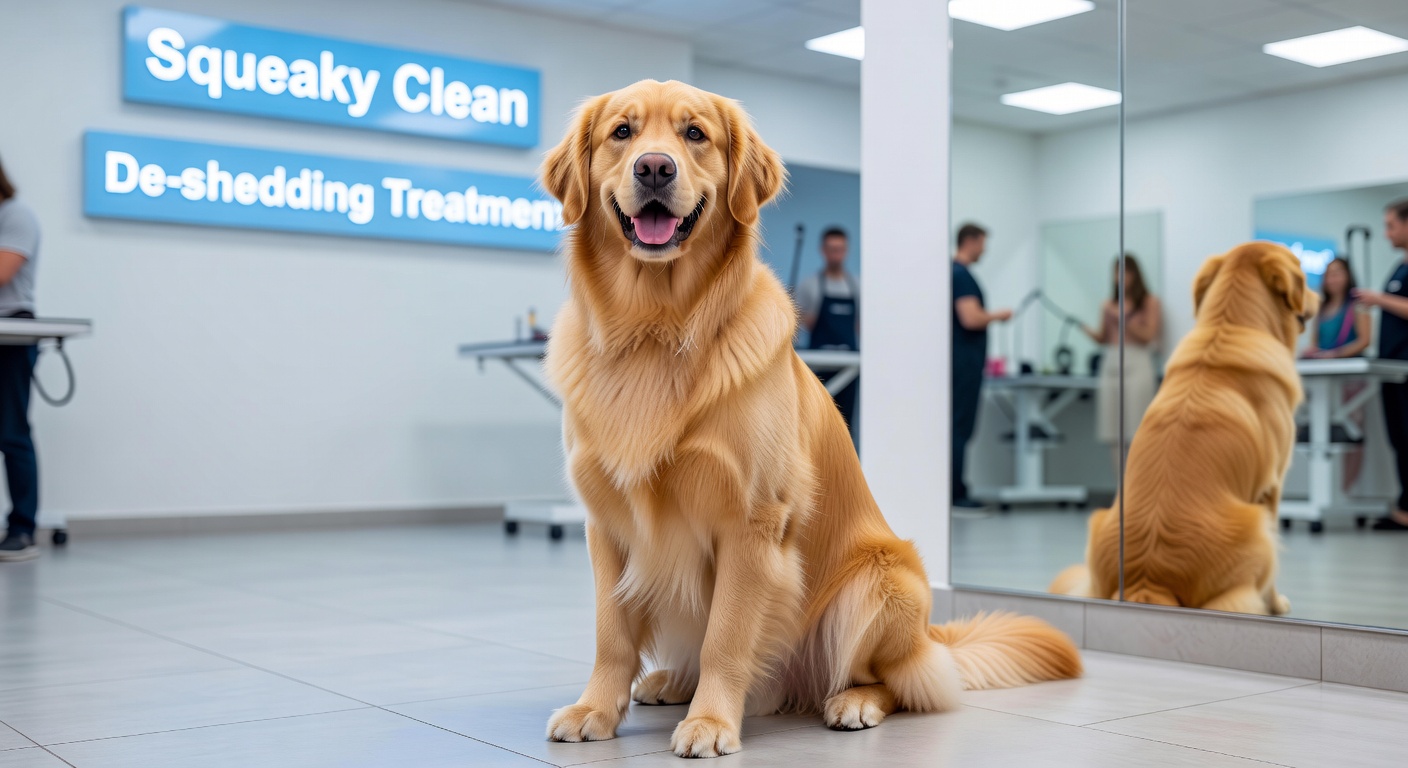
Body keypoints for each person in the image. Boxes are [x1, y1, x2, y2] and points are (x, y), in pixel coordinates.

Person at [1354, 199, 1408, 531]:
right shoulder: (1400, 268)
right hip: (1393, 369)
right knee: (1399, 439)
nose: (1386, 233)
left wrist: (1379, 299)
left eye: (1391, 226)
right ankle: (1405, 506)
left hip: (1405, 368)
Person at [1082, 254, 1161, 472]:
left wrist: (1122, 317)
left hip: (1138, 364)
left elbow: (1148, 336)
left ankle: (1139, 484)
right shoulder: (1109, 305)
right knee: (1113, 431)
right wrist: (1086, 328)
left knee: (1137, 430)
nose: (1120, 277)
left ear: (1135, 275)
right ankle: (1121, 485)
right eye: (1117, 272)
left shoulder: (1149, 302)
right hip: (1111, 363)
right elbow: (1103, 338)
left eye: (1125, 272)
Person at [952, 223, 1011, 509]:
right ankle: (956, 493)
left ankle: (955, 489)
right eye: (982, 244)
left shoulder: (956, 274)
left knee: (958, 426)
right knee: (959, 426)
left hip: (964, 362)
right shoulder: (961, 276)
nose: (984, 250)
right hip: (964, 364)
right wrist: (999, 315)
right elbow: (970, 318)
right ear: (971, 241)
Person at [0, 157, 42, 561]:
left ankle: (23, 529)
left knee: (11, 432)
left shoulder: (15, 215)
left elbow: (3, 272)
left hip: (10, 332)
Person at [1304, 257, 1371, 492]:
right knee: (1320, 430)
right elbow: (1315, 342)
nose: (1332, 279)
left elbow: (1365, 340)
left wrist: (1336, 354)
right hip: (1323, 377)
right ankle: (1324, 489)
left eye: (1338, 273)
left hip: (1350, 377)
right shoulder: (1321, 308)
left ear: (1348, 276)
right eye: (1329, 274)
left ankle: (1346, 488)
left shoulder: (1358, 306)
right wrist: (1313, 352)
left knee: (1353, 431)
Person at [798, 226, 860, 437]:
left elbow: (860, 324)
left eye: (840, 249)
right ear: (823, 250)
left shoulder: (856, 285)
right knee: (818, 423)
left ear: (846, 250)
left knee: (846, 424)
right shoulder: (810, 285)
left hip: (850, 364)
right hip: (819, 363)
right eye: (832, 249)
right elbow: (800, 321)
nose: (836, 254)